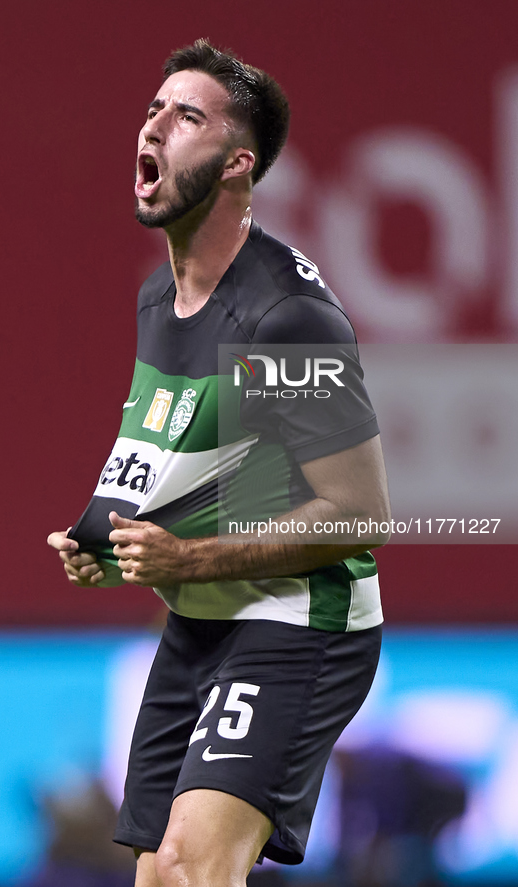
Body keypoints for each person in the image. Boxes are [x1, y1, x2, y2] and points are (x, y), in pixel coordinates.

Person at [48, 39, 391, 887]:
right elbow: (185, 446)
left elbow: (357, 515)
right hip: (201, 621)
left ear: (239, 164)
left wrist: (184, 558)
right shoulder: (159, 294)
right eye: (154, 108)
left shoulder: (286, 316)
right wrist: (110, 536)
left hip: (298, 624)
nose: (156, 125)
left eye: (187, 116)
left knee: (198, 866)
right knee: (156, 876)